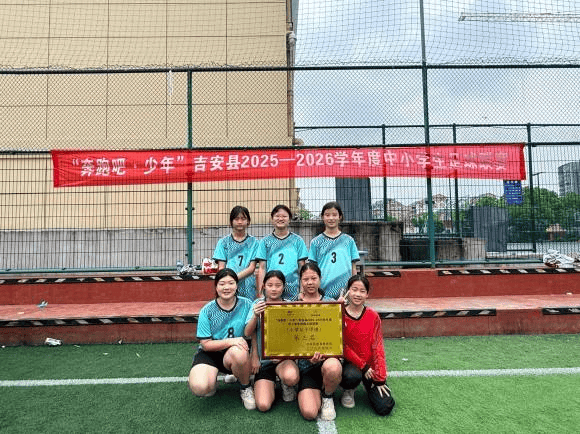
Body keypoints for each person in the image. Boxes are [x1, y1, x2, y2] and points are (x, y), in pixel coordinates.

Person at [187, 268, 256, 410]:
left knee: (239, 350)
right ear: (216, 287)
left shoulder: (247, 304)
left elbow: (253, 332)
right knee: (200, 388)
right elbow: (206, 345)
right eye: (222, 284)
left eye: (231, 283)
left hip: (237, 353)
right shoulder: (207, 310)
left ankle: (245, 387)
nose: (226, 287)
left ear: (236, 285)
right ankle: (211, 380)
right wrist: (231, 341)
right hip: (212, 353)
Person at [244, 270, 300, 412]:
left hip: (284, 359)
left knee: (291, 377)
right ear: (264, 286)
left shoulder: (290, 305)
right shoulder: (257, 304)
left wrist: (285, 356)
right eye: (270, 285)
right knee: (263, 405)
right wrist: (255, 315)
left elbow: (297, 335)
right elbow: (248, 332)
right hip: (263, 360)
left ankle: (286, 384)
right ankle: (268, 385)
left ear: (283, 287)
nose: (274, 289)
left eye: (278, 285)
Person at [340, 274, 395, 416]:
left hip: (370, 367)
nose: (357, 294)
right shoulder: (340, 314)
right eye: (354, 290)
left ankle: (368, 385)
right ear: (348, 291)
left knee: (384, 407)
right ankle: (348, 390)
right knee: (351, 376)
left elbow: (378, 346)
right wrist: (362, 365)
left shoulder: (373, 315)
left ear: (367, 294)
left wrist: (380, 378)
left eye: (362, 291)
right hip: (352, 364)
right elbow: (343, 346)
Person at [296, 263, 342, 421]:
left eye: (313, 278)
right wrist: (306, 356)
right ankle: (313, 389)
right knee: (309, 413)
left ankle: (328, 396)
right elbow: (291, 339)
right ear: (300, 281)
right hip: (306, 366)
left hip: (327, 361)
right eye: (305, 279)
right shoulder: (293, 304)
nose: (310, 282)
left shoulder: (331, 303)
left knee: (333, 366)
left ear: (320, 279)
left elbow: (336, 337)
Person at [308, 201, 360, 300]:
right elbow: (312, 270)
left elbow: (354, 267)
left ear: (340, 217)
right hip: (322, 292)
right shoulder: (316, 242)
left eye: (334, 215)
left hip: (345, 292)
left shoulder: (348, 240)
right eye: (327, 215)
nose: (331, 218)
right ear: (322, 217)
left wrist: (354, 287)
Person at [255, 204, 308, 301]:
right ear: (272, 219)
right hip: (272, 290)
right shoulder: (265, 242)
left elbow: (302, 268)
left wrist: (302, 291)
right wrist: (260, 293)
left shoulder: (298, 241)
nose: (280, 219)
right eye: (277, 216)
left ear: (289, 219)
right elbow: (262, 268)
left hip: (293, 290)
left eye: (284, 216)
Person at [213, 205, 259, 300]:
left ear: (248, 221)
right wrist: (229, 281)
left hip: (248, 286)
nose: (240, 222)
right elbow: (221, 267)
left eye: (243, 219)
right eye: (236, 219)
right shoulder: (223, 242)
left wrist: (233, 278)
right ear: (231, 221)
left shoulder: (254, 242)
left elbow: (252, 267)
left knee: (248, 307)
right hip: (228, 286)